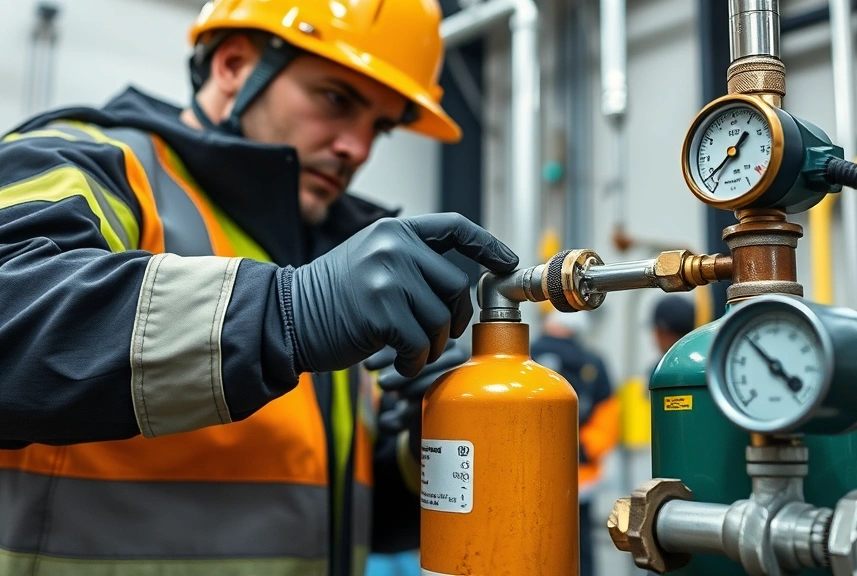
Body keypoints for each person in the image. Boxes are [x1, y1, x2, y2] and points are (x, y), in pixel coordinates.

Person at [0, 1, 518, 574]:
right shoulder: (93, 164)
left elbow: (316, 499)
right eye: (336, 99)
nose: (358, 148)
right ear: (233, 65)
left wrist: (425, 446)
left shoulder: (331, 249)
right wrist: (287, 314)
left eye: (380, 125)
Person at [532, 312, 620, 576]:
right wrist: (581, 449)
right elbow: (609, 416)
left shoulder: (526, 357)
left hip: (532, 475)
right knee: (580, 547)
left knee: (533, 543)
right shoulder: (593, 362)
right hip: (581, 478)